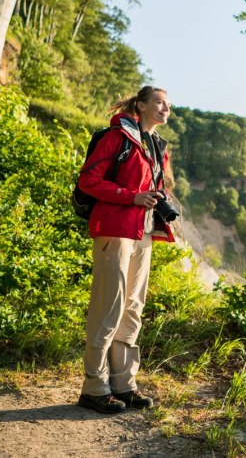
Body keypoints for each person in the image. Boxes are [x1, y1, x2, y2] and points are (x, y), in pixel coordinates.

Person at [75, 86, 176, 414]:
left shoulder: (158, 146)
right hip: (114, 231)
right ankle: (94, 387)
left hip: (143, 232)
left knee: (132, 308)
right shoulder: (116, 137)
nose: (165, 108)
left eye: (168, 105)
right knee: (109, 307)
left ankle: (123, 383)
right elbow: (88, 181)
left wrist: (157, 198)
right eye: (159, 102)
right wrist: (130, 196)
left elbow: (154, 187)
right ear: (142, 104)